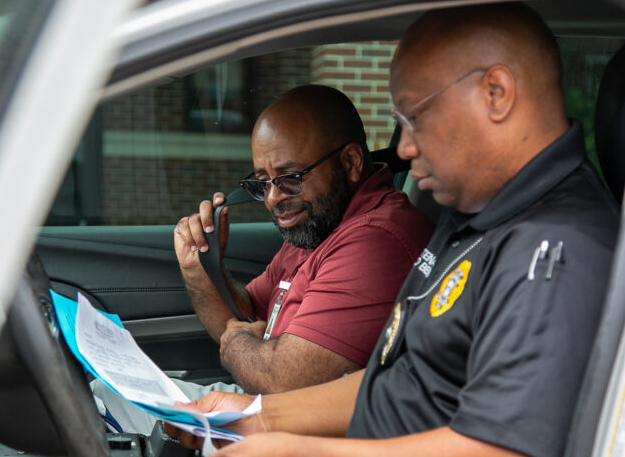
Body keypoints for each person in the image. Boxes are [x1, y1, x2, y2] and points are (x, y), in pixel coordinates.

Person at [0, 2, 620, 457]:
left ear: (497, 92)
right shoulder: (478, 219)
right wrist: (254, 419)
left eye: (414, 117)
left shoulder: (555, 247)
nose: (401, 148)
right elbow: (388, 381)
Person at [93, 84, 434, 433]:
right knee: (103, 396)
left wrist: (235, 342)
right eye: (262, 183)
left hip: (299, 443)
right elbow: (242, 316)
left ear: (350, 162)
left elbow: (280, 381)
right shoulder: (318, 226)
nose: (273, 199)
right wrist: (199, 268)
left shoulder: (375, 241)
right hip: (264, 414)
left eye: (289, 179)